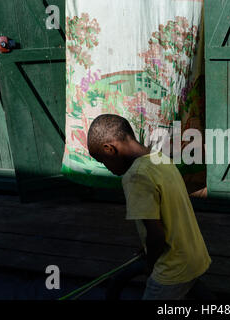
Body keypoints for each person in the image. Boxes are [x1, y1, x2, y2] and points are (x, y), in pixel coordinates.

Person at [87, 114, 212, 300]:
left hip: (172, 269)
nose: (107, 167)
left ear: (109, 149)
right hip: (195, 257)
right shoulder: (160, 158)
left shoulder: (136, 175)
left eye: (102, 161)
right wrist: (146, 246)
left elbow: (156, 236)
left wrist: (150, 264)